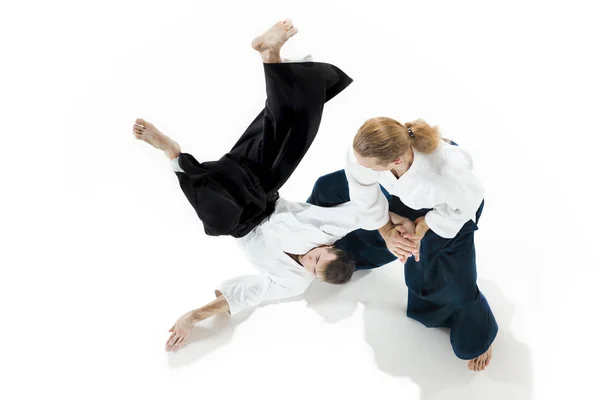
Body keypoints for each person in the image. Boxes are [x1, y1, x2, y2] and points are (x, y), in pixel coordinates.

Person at [132, 20, 360, 352]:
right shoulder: (326, 230)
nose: (308, 261)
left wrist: (193, 317)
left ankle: (173, 154)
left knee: (218, 218)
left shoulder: (293, 283)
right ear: (329, 247)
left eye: (313, 269)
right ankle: (271, 56)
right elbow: (368, 215)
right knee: (290, 133)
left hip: (237, 220)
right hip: (262, 190)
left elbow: (247, 295)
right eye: (317, 256)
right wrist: (407, 227)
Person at [344, 117, 498, 372]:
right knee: (335, 191)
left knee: (454, 278)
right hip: (408, 193)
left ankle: (478, 333)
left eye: (368, 165)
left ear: (395, 162)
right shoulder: (364, 154)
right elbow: (360, 185)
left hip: (453, 210)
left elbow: (468, 202)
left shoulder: (446, 173)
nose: (358, 164)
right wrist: (387, 230)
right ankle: (345, 255)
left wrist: (424, 224)